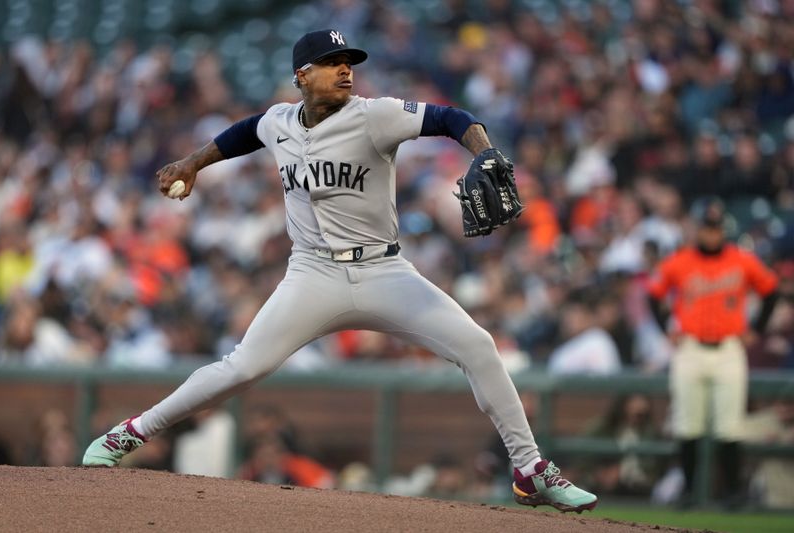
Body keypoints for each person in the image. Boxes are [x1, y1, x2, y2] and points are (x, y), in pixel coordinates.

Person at [81, 29, 596, 513]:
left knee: (479, 346)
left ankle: (530, 468)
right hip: (312, 276)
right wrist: (193, 162)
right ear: (302, 76)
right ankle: (130, 433)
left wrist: (483, 152)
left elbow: (452, 117)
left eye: (348, 62)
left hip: (384, 271)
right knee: (242, 368)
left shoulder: (376, 115)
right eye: (332, 64)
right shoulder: (279, 120)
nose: (345, 70)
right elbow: (243, 134)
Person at [647, 198, 779, 508]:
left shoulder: (742, 260)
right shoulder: (680, 261)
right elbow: (653, 294)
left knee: (729, 426)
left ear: (723, 230)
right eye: (707, 228)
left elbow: (771, 291)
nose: (711, 234)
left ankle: (732, 493)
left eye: (716, 228)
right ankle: (689, 492)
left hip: (729, 349)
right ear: (698, 229)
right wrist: (667, 327)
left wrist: (756, 329)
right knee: (687, 424)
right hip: (690, 348)